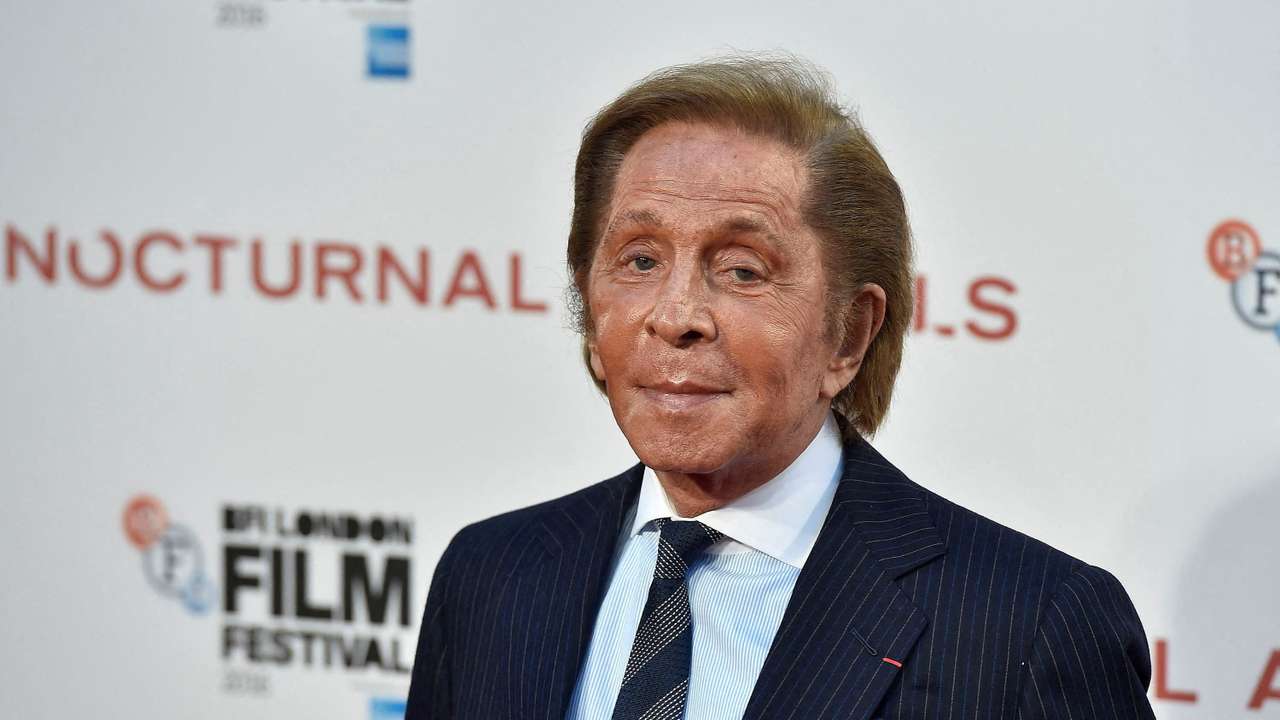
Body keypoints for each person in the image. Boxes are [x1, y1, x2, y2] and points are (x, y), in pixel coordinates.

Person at [405, 55, 1155, 720]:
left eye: (742, 269)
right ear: (586, 300)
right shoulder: (494, 574)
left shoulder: (1026, 624)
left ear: (849, 334)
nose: (676, 316)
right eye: (638, 261)